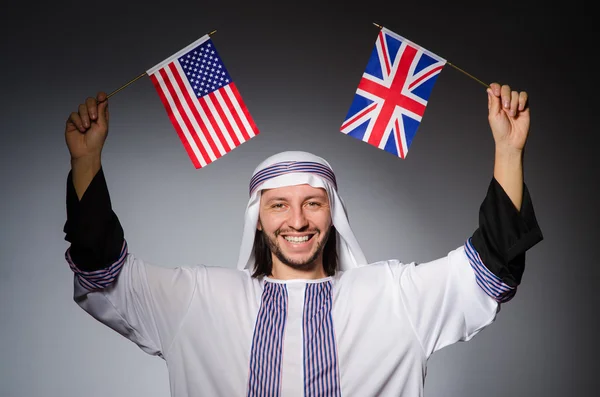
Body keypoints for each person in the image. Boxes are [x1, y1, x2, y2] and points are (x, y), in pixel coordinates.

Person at [63, 82, 543, 397]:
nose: (297, 219)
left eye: (312, 202)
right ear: (257, 217)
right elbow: (103, 272)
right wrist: (86, 163)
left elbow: (493, 265)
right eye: (279, 205)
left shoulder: (393, 296)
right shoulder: (201, 298)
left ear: (332, 214)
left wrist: (508, 150)